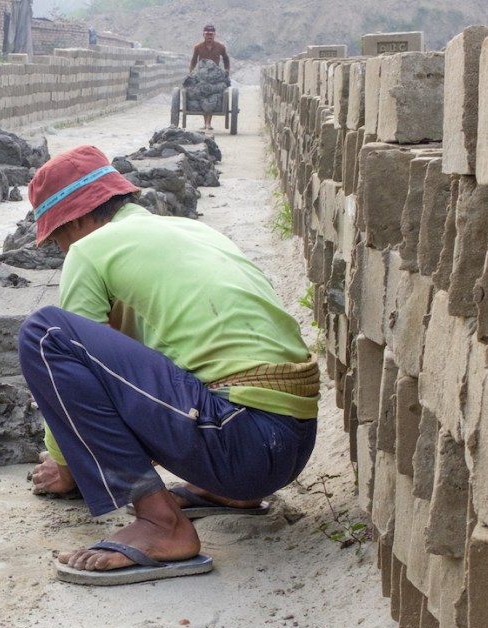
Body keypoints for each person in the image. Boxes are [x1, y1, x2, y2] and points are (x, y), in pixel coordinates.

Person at [18, 146, 318, 585]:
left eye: (58, 238)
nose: (63, 250)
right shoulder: (191, 232)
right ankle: (223, 492)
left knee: (45, 332)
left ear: (77, 220)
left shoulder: (90, 250)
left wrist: (67, 467)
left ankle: (162, 524)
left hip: (240, 440)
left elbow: (68, 368)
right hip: (288, 444)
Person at [188, 24, 231, 131]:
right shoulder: (198, 47)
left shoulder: (221, 47)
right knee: (202, 94)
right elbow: (193, 61)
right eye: (207, 34)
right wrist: (191, 73)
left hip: (215, 76)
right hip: (201, 75)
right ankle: (206, 122)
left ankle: (208, 123)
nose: (209, 36)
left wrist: (227, 71)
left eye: (211, 34)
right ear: (203, 34)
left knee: (213, 95)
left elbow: (226, 59)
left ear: (214, 35)